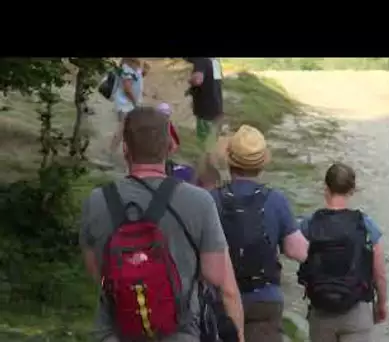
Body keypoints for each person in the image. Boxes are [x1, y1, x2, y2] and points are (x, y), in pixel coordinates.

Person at [79, 106, 245, 342]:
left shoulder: (96, 202)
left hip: (115, 333)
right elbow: (217, 277)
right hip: (180, 333)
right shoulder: (199, 201)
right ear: (169, 147)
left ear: (125, 148)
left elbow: (97, 271)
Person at [208, 124, 309, 342]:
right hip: (264, 298)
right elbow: (297, 250)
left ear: (229, 160)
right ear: (262, 164)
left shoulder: (210, 200)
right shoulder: (276, 200)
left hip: (220, 300)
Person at [298, 162, 388, 342]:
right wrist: (382, 303)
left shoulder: (310, 224)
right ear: (352, 190)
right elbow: (379, 273)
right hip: (356, 309)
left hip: (321, 310)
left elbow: (298, 257)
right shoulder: (365, 224)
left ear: (326, 187)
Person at [109, 58, 145, 159]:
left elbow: (135, 81)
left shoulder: (134, 66)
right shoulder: (127, 68)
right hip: (125, 104)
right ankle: (111, 153)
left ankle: (125, 154)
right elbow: (127, 89)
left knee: (127, 129)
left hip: (128, 103)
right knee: (122, 129)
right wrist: (135, 102)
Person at [186, 58, 224, 144]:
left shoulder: (200, 60)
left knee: (204, 141)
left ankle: (206, 154)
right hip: (217, 106)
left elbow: (197, 80)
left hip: (205, 109)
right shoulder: (215, 60)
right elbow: (219, 78)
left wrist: (189, 80)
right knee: (213, 138)